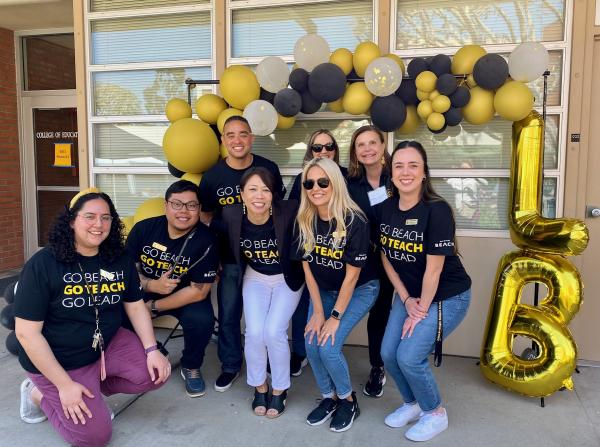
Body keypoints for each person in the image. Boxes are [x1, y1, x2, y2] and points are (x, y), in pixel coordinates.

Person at [14, 188, 170, 447]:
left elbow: (135, 305)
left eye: (106, 217)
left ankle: (89, 395)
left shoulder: (118, 258)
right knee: (94, 438)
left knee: (156, 373)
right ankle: (38, 394)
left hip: (106, 344)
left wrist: (152, 349)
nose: (99, 224)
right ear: (72, 220)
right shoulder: (43, 264)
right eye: (90, 216)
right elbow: (26, 333)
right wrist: (64, 385)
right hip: (61, 360)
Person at [377, 141, 471, 442]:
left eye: (413, 165)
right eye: (399, 166)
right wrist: (405, 298)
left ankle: (435, 413)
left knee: (408, 356)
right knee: (388, 353)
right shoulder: (385, 208)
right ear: (391, 173)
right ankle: (413, 404)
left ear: (424, 172)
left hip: (446, 296)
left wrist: (418, 312)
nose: (406, 172)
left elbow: (434, 270)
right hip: (410, 295)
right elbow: (385, 256)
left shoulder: (437, 210)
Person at [199, 115, 285, 392]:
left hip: (266, 254)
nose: (237, 140)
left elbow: (281, 211)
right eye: (231, 135)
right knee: (229, 312)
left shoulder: (268, 167)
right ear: (223, 141)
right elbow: (205, 216)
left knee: (269, 317)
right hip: (231, 257)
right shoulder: (213, 175)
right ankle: (231, 364)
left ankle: (270, 360)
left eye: (243, 134)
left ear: (252, 138)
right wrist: (213, 256)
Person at [294, 157, 379, 432]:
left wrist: (334, 317)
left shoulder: (355, 220)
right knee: (310, 341)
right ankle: (329, 397)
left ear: (335, 183)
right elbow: (308, 271)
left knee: (328, 346)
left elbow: (352, 276)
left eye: (323, 182)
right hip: (323, 290)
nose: (315, 188)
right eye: (309, 183)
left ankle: (348, 399)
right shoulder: (305, 219)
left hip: (359, 290)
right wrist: (318, 313)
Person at [216, 167, 304, 418]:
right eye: (252, 189)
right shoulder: (231, 214)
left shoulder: (288, 211)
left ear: (274, 194)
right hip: (255, 276)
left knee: (273, 331)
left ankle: (279, 389)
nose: (259, 196)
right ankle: (259, 386)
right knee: (254, 332)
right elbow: (221, 242)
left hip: (285, 278)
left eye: (266, 190)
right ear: (241, 194)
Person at [126, 180, 219, 398]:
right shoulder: (144, 229)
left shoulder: (207, 240)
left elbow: (199, 291)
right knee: (115, 310)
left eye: (191, 205)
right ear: (166, 206)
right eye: (177, 204)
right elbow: (127, 273)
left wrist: (153, 307)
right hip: (144, 288)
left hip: (184, 296)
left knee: (201, 320)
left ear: (199, 209)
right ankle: (152, 350)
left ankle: (191, 365)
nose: (184, 211)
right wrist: (151, 285)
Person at [288, 129, 347, 377]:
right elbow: (294, 215)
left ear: (335, 149)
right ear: (310, 151)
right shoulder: (303, 179)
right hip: (312, 256)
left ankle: (329, 355)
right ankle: (301, 353)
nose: (323, 151)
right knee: (305, 307)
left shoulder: (347, 178)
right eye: (317, 147)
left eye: (328, 146)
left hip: (343, 260)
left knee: (336, 319)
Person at [346, 125, 395, 398]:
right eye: (360, 144)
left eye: (372, 143)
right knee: (378, 314)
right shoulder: (352, 185)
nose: (367, 149)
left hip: (402, 255)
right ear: (355, 151)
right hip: (369, 258)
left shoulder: (397, 176)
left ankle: (407, 361)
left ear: (382, 144)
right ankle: (378, 366)